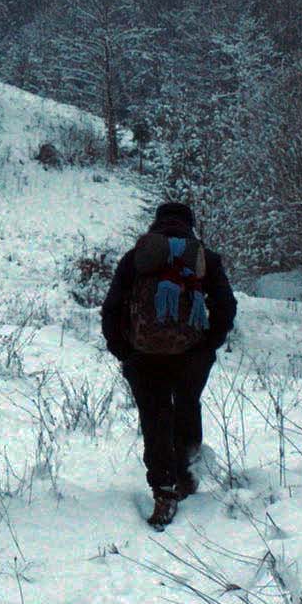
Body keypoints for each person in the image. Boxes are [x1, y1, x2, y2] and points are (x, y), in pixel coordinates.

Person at [100, 201, 236, 529]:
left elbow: (111, 308)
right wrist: (207, 345)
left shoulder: (136, 258)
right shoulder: (204, 258)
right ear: (190, 225)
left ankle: (164, 490)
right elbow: (226, 306)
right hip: (192, 354)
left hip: (143, 354)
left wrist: (124, 350)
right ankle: (186, 474)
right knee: (187, 404)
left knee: (154, 414)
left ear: (156, 224)